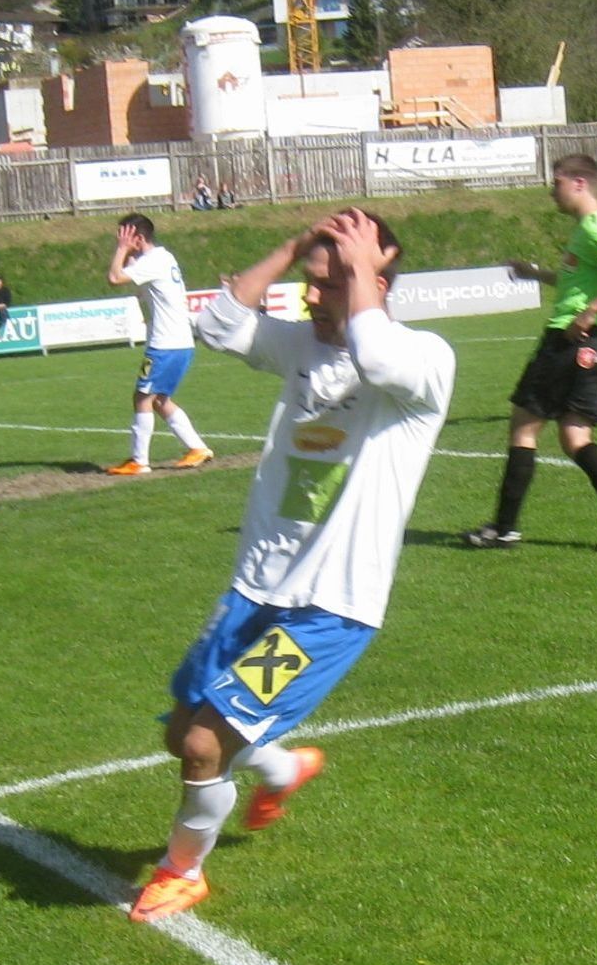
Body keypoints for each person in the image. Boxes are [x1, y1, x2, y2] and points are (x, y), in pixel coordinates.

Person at [129, 208, 455, 922]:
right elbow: (217, 324)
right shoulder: (301, 345)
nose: (311, 296)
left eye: (327, 282)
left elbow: (373, 359)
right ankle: (281, 765)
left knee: (201, 741)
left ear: (377, 272)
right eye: (310, 281)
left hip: (327, 608)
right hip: (255, 588)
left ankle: (181, 870)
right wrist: (293, 246)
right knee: (180, 725)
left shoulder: (423, 358)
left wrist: (358, 267)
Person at [464, 154, 597, 553]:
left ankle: (504, 527)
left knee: (524, 426)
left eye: (557, 183)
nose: (552, 191)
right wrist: (536, 274)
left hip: (570, 342)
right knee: (575, 437)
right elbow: (577, 282)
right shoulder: (588, 231)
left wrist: (591, 310)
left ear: (579, 183)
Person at [105, 213, 213, 475]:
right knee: (159, 399)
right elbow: (141, 289)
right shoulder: (163, 258)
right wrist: (131, 258)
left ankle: (139, 461)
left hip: (166, 344)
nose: (121, 242)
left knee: (142, 397)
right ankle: (197, 448)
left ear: (138, 238)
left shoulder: (153, 261)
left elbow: (114, 277)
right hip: (178, 342)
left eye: (125, 237)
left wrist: (121, 251)